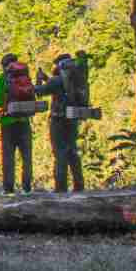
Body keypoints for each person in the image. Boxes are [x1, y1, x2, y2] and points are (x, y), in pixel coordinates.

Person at [35, 53, 86, 193]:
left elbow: (39, 92)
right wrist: (47, 78)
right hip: (72, 117)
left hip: (58, 120)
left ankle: (61, 187)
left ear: (58, 65)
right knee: (72, 151)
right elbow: (59, 89)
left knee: (60, 153)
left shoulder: (56, 80)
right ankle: (79, 185)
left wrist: (39, 80)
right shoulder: (74, 78)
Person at [0, 53, 33, 195]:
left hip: (8, 121)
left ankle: (8, 189)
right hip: (24, 121)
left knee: (8, 157)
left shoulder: (1, 78)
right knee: (26, 156)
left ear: (4, 66)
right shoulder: (25, 75)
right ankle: (27, 187)